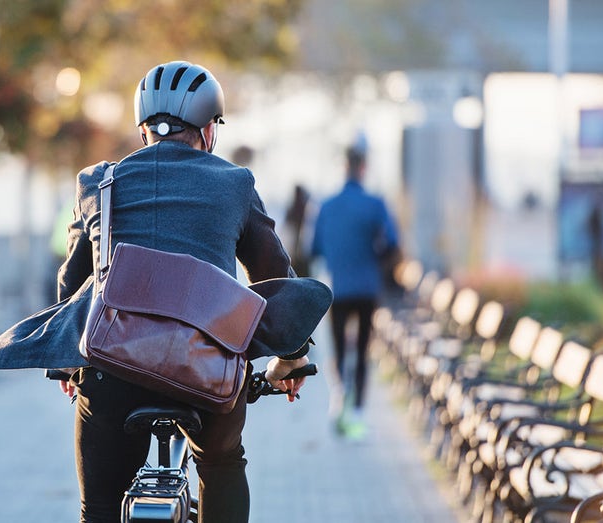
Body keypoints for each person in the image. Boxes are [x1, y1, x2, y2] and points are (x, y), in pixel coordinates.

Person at [55, 61, 311, 523]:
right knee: (221, 462)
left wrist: (66, 362)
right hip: (207, 369)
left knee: (99, 507)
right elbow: (276, 281)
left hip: (113, 368)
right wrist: (290, 359)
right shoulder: (235, 183)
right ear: (210, 131)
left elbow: (73, 285)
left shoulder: (97, 182)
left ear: (142, 132)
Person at [310, 138, 399, 440]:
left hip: (337, 289)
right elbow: (392, 244)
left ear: (344, 167)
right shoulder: (376, 204)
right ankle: (358, 410)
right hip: (367, 287)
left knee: (336, 348)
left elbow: (315, 248)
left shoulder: (326, 206)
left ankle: (338, 399)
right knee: (361, 350)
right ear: (363, 168)